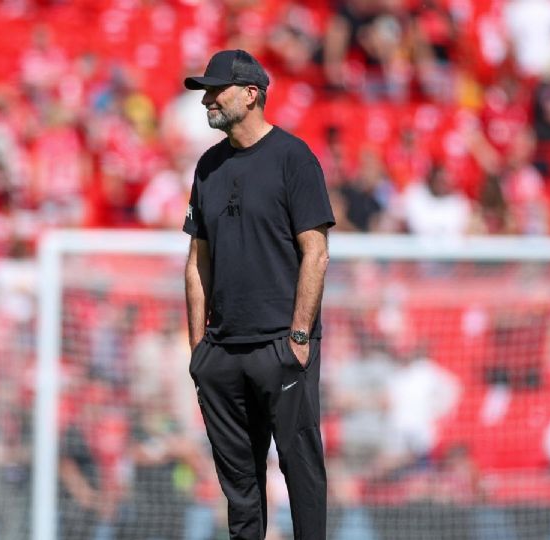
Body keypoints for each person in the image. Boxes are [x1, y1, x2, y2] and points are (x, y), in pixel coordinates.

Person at [182, 50, 335, 540]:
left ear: (252, 95)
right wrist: (197, 350)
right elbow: (196, 263)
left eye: (216, 89)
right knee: (240, 488)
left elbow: (316, 253)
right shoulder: (207, 166)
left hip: (279, 347)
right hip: (223, 353)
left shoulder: (294, 157)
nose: (206, 99)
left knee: (301, 470)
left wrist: (297, 335)